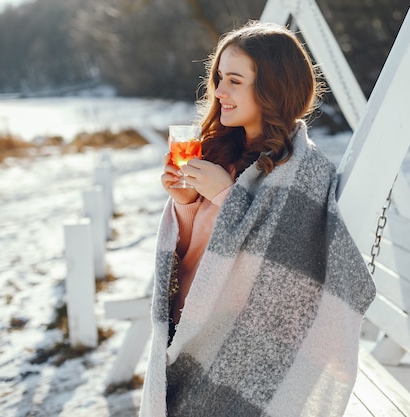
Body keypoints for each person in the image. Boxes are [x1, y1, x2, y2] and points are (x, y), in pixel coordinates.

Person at [140, 20, 376, 417]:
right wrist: (185, 204)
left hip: (239, 346)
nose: (219, 91)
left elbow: (283, 271)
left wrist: (223, 196)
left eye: (234, 80)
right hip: (186, 332)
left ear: (273, 88)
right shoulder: (216, 154)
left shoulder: (304, 172)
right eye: (218, 78)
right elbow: (194, 254)